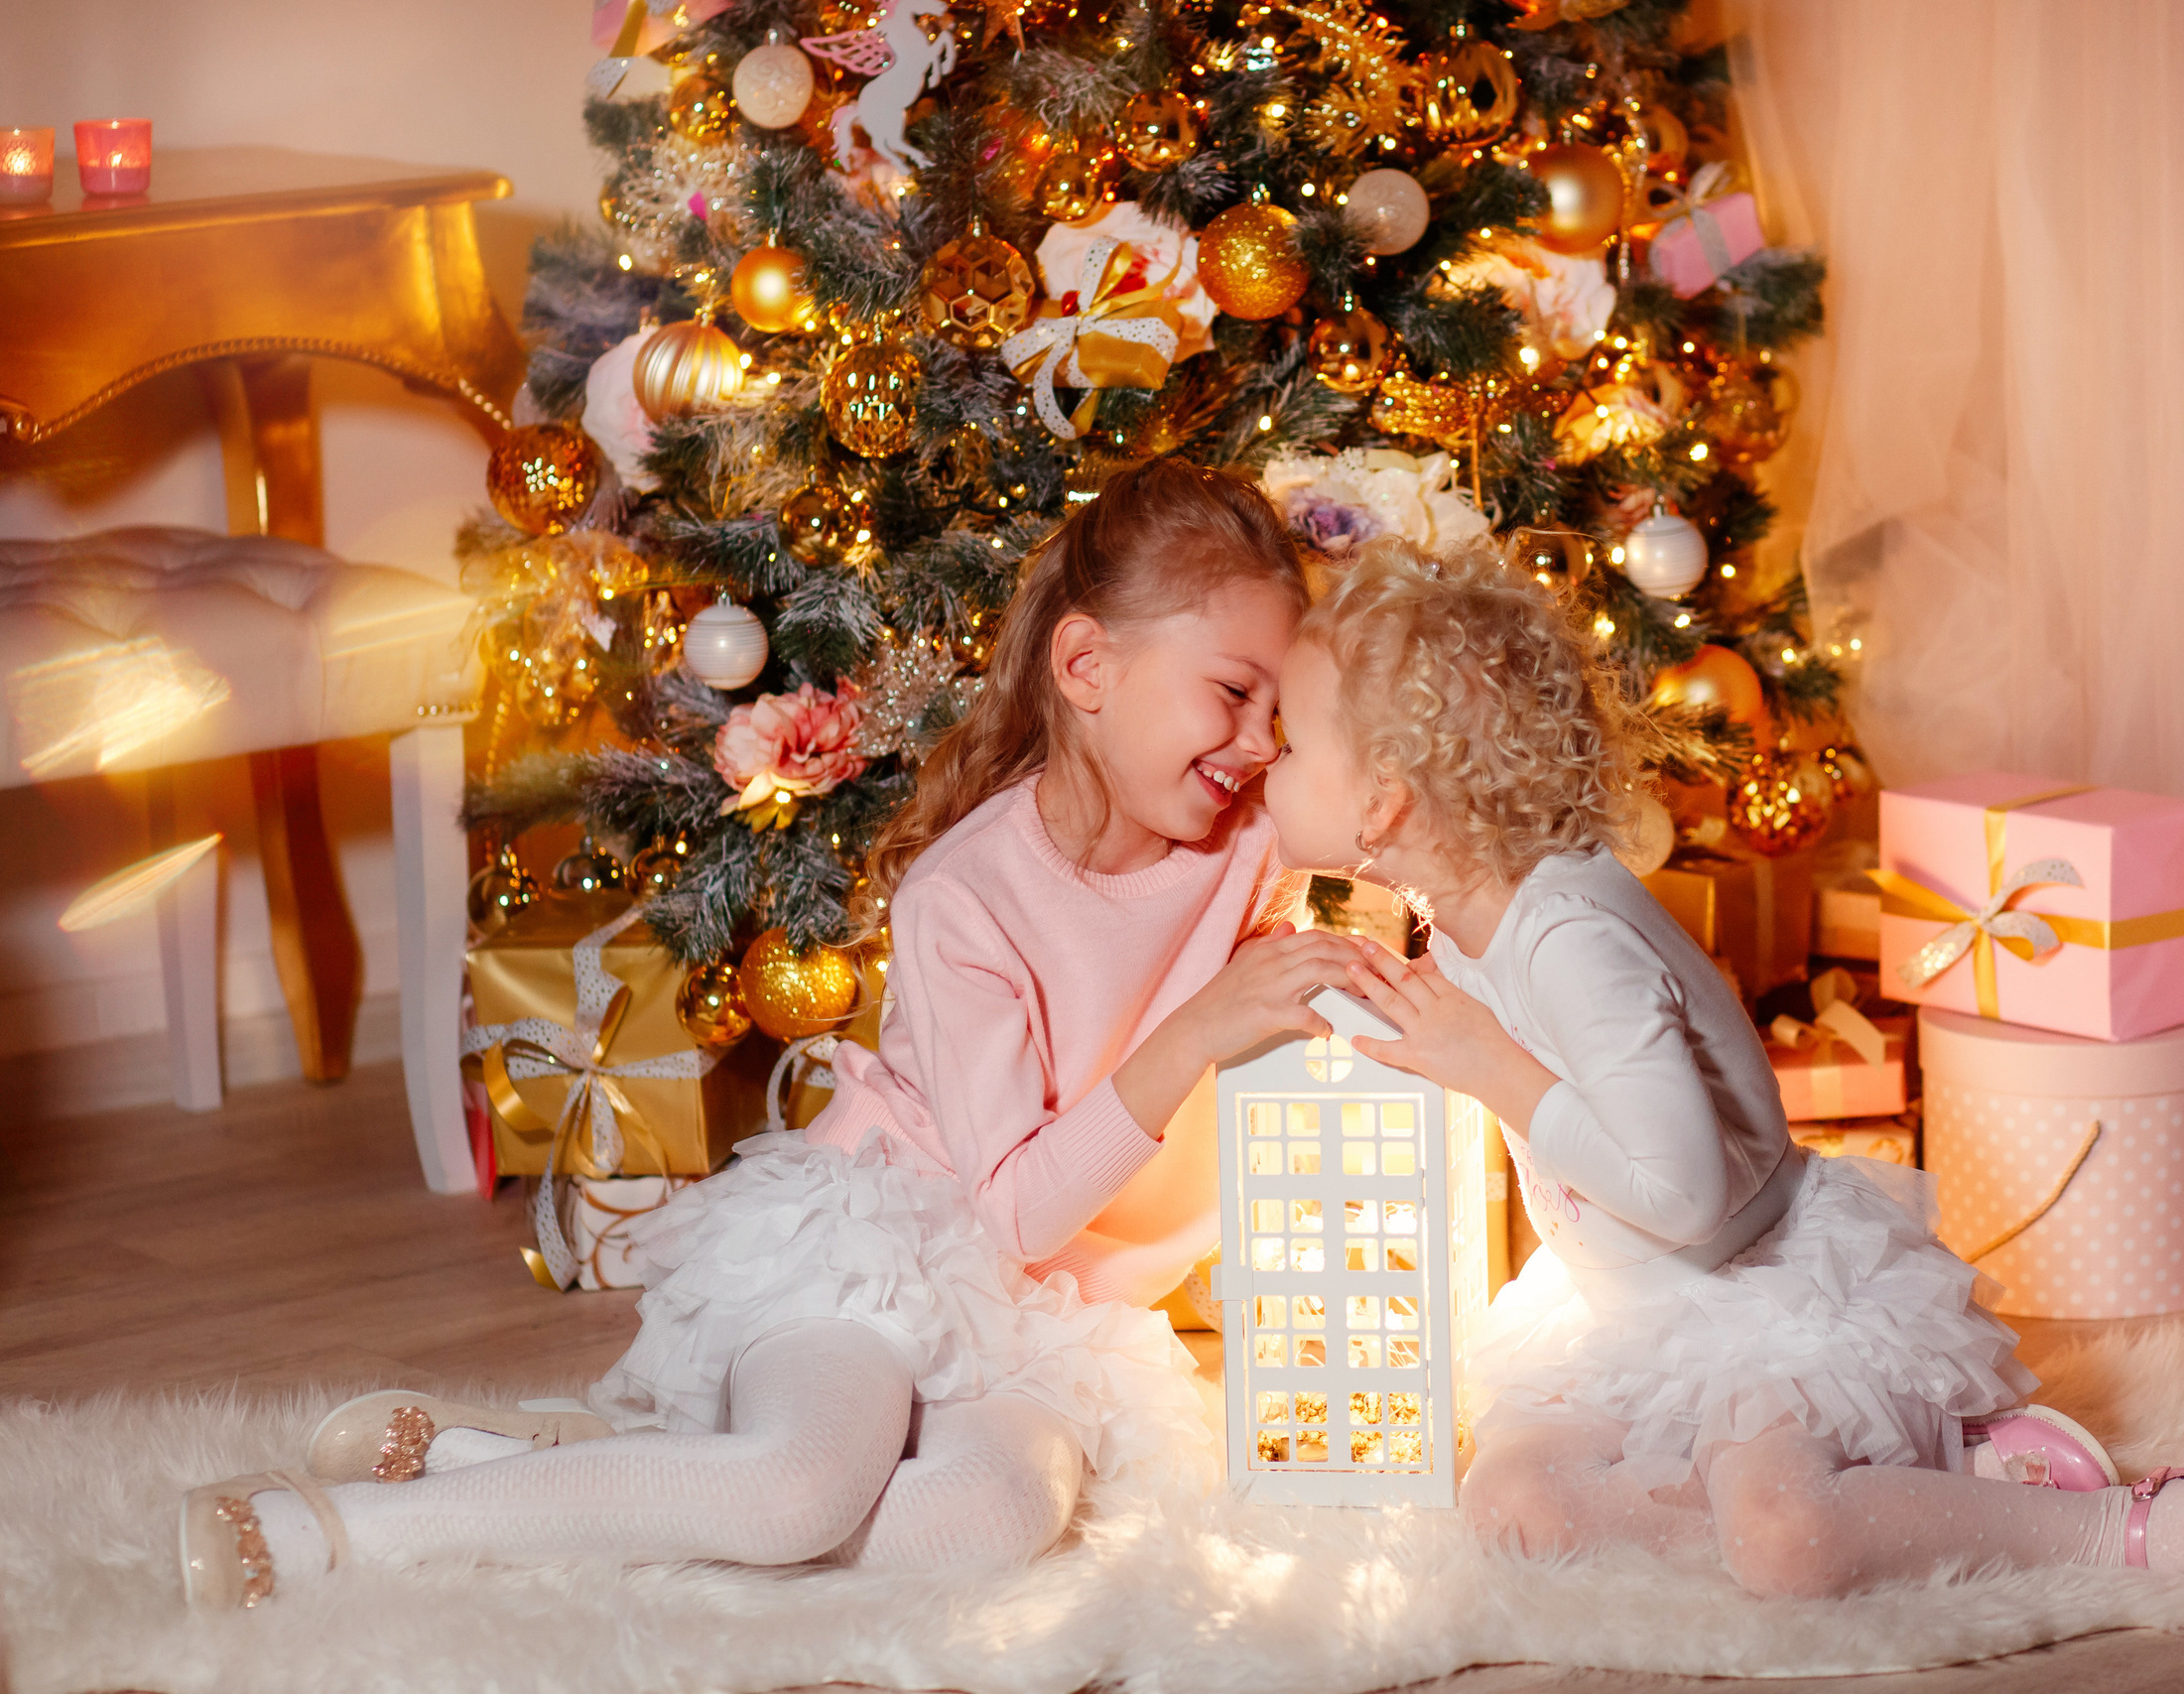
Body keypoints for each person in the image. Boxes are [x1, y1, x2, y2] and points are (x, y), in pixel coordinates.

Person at [180, 457, 1365, 1609]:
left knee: (986, 1525)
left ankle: (544, 1470)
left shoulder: (1251, 836)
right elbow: (1011, 1206)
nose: (1262, 742)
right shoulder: (968, 893)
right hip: (878, 1240)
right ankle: (337, 1534)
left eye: (1280, 709)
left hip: (1046, 1317)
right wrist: (1201, 1029)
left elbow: (1394, 810)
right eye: (1231, 693)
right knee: (801, 1492)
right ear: (1088, 664)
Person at [1258, 536, 2184, 1596]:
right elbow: (1462, 1040)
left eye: (1289, 744)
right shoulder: (1463, 905)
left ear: (1385, 802)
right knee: (1513, 1512)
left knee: (1779, 1542)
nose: (1264, 760)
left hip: (1758, 1293)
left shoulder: (1572, 941)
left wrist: (1485, 1063)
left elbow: (1683, 1194)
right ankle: (1935, 1481)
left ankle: (2117, 1529)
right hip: (1619, 1306)